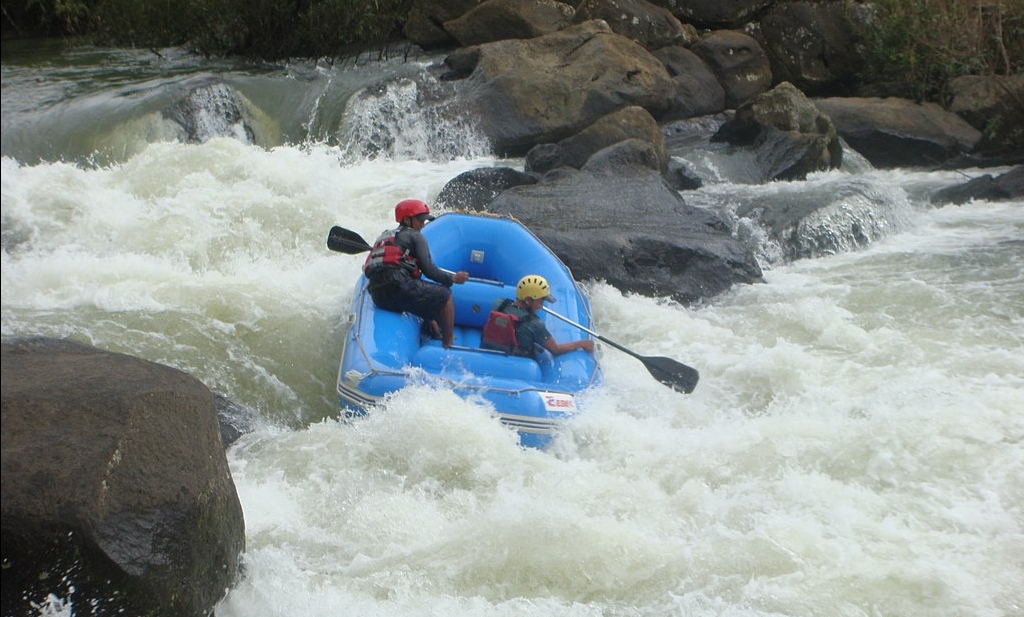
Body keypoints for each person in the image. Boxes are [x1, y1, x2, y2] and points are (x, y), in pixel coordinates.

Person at [363, 199, 468, 348]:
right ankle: (448, 342)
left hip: (378, 295)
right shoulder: (415, 236)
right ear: (407, 220)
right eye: (420, 221)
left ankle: (433, 329)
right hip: (397, 288)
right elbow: (430, 270)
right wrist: (453, 278)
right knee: (445, 295)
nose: (423, 225)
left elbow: (370, 269)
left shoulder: (384, 236)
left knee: (419, 290)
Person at [480, 274, 595, 358]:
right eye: (541, 301)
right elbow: (556, 350)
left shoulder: (499, 303)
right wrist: (581, 343)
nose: (541, 306)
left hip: (487, 353)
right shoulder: (535, 324)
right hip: (514, 363)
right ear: (528, 300)